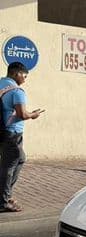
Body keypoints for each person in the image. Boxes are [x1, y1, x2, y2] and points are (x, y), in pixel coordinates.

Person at [0, 62, 43, 213]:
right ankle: (3, 201)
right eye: (24, 75)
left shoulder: (1, 84)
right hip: (12, 133)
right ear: (15, 73)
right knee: (9, 166)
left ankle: (5, 194)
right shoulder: (17, 91)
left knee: (20, 158)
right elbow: (22, 114)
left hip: (2, 131)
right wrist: (34, 115)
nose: (25, 79)